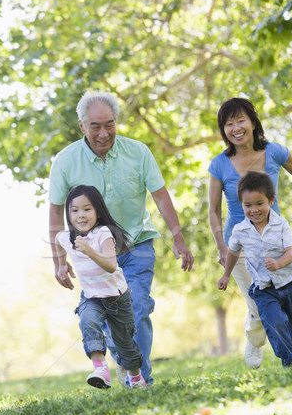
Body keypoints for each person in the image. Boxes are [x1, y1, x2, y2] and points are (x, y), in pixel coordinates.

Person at [49, 91, 194, 385]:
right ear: (82, 126)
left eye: (110, 124)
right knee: (105, 317)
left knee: (137, 309)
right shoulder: (65, 161)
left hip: (135, 246)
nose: (104, 133)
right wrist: (59, 261)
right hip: (92, 255)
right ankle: (129, 367)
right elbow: (54, 212)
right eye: (95, 126)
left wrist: (178, 238)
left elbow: (161, 196)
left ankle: (140, 381)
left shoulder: (138, 152)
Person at [208, 97, 292, 368]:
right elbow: (214, 211)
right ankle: (254, 339)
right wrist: (221, 246)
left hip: (275, 242)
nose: (236, 128)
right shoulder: (219, 164)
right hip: (240, 247)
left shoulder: (275, 152)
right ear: (224, 130)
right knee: (258, 305)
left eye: (241, 120)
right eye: (228, 124)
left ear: (253, 122)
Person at [55, 185, 146, 389]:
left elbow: (111, 265)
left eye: (87, 209)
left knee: (125, 344)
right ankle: (101, 369)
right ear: (68, 213)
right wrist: (61, 264)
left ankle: (137, 379)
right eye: (75, 210)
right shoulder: (66, 238)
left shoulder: (103, 233)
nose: (81, 215)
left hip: (117, 297)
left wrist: (89, 251)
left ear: (98, 211)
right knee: (87, 321)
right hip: (91, 296)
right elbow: (57, 241)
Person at [218, 171, 292, 367]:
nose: (254, 210)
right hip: (264, 289)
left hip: (289, 283)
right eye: (247, 205)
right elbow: (233, 253)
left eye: (260, 203)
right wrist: (226, 276)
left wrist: (278, 264)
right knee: (274, 324)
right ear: (241, 204)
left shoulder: (281, 224)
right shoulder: (240, 231)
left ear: (271, 200)